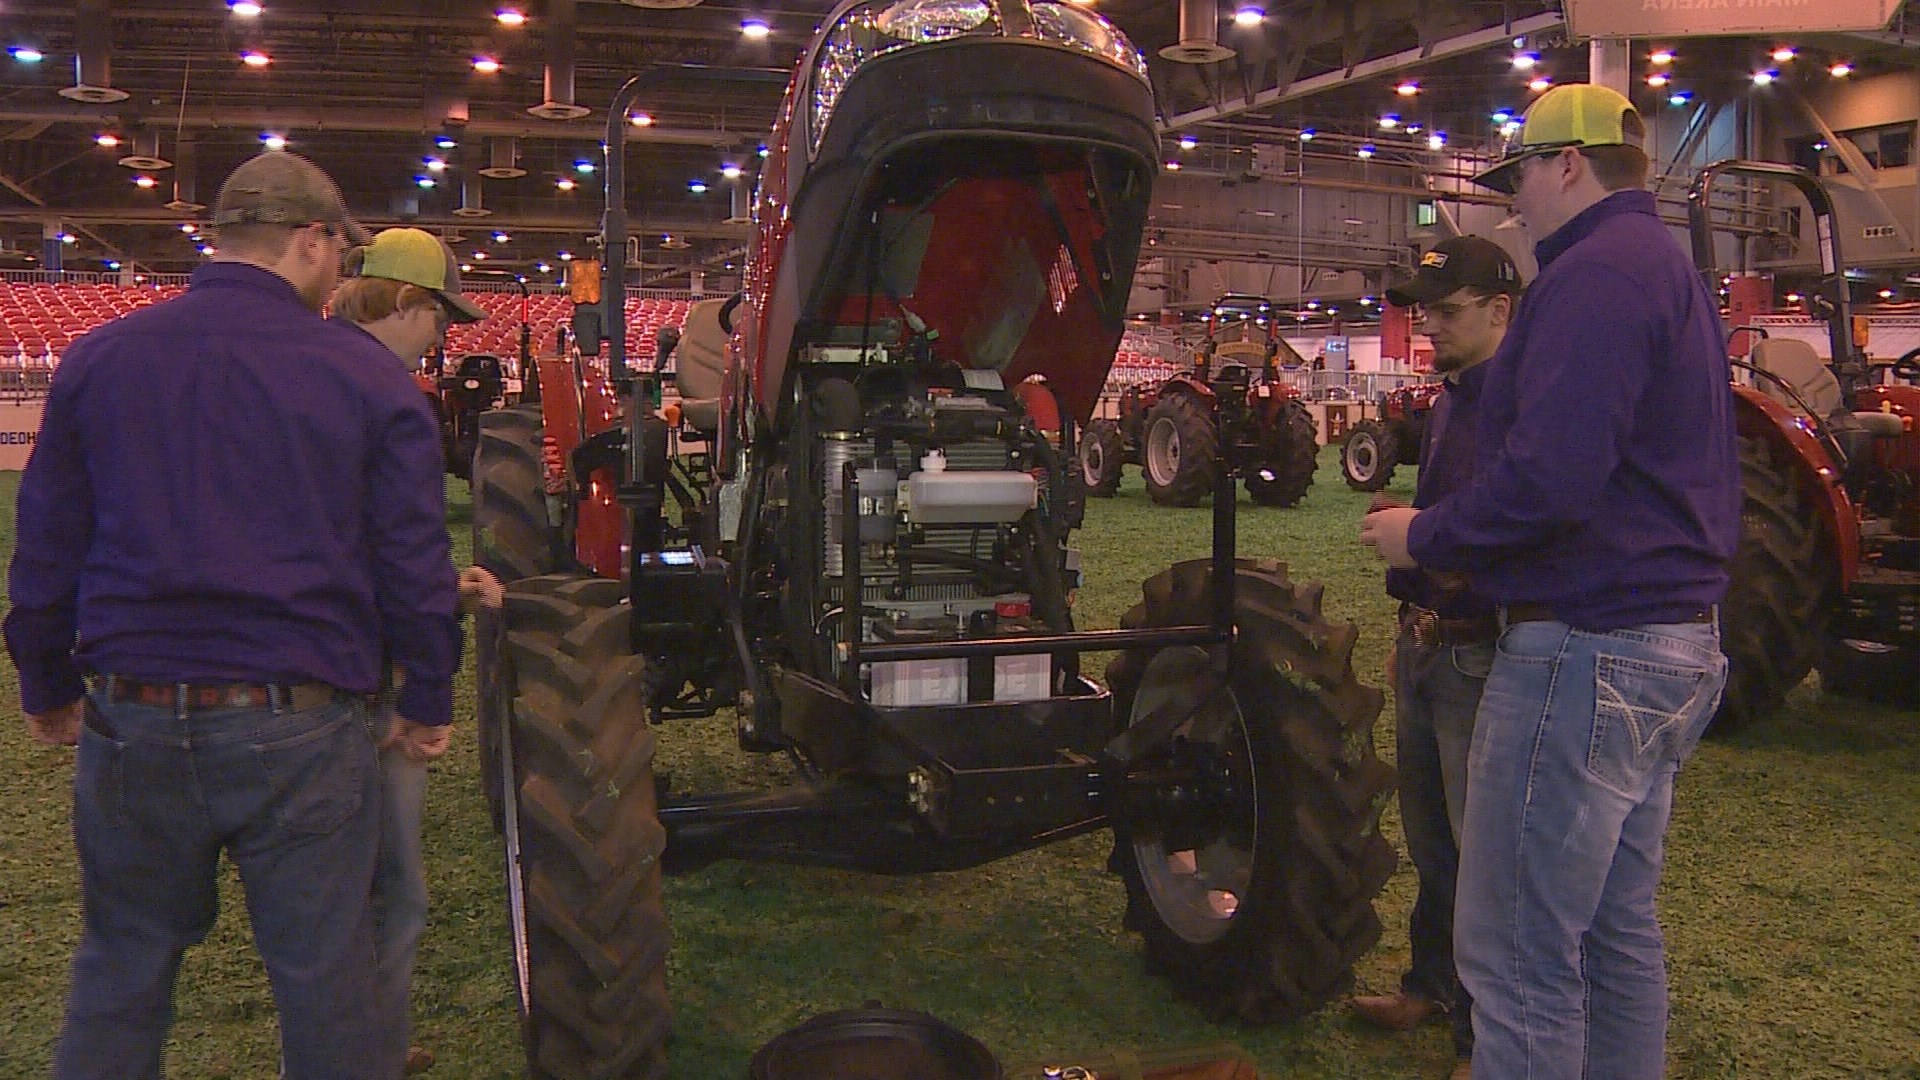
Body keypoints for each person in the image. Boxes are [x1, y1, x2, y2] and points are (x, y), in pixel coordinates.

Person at [4, 152, 462, 1080]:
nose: (344, 271)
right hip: (298, 720)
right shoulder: (368, 379)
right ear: (312, 240)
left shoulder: (102, 358)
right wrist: (432, 689)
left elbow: (45, 544)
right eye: (341, 251)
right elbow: (412, 560)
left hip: (129, 711)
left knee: (122, 965)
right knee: (328, 981)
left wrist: (45, 679)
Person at [1359, 83, 1738, 1080]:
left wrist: (1424, 535)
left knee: (1517, 954)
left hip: (1586, 643)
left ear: (1566, 163)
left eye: (1519, 172)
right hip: (1669, 641)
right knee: (1613, 934)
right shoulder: (1665, 268)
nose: (1512, 199)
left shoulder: (1594, 274)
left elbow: (1551, 480)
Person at [1350, 236, 1522, 1080]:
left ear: (1500, 311)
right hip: (1430, 644)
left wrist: (1421, 543)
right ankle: (1431, 985)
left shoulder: (1521, 401)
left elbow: (1504, 526)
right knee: (1435, 844)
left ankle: (1483, 1042)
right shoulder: (1453, 396)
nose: (1431, 327)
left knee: (1483, 857)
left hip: (1479, 652)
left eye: (1448, 312)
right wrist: (1408, 620)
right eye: (1426, 311)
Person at [329, 226, 495, 1076]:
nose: (442, 338)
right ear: (407, 303)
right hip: (368, 679)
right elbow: (400, 542)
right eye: (439, 319)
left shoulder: (299, 374)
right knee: (394, 892)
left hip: (300, 673)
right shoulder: (388, 398)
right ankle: (368, 1055)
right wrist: (427, 690)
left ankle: (360, 1045)